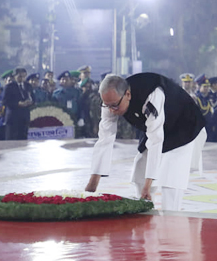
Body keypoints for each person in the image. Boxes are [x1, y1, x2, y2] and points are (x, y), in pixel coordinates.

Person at [85, 73, 207, 211]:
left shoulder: (151, 95)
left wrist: (148, 185)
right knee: (140, 174)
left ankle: (172, 217)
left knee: (170, 180)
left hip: (184, 126)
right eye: (107, 106)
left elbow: (156, 140)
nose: (111, 111)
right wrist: (93, 182)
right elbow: (105, 138)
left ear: (128, 94)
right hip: (155, 127)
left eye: (114, 106)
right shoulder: (111, 101)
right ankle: (146, 215)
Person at [3, 68, 34, 140]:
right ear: (14, 76)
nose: (22, 78)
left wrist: (30, 102)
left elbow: (33, 98)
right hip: (13, 118)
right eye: (20, 76)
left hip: (24, 117)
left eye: (24, 76)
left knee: (23, 138)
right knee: (12, 139)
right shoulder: (9, 87)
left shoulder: (28, 86)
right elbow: (5, 101)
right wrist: (18, 104)